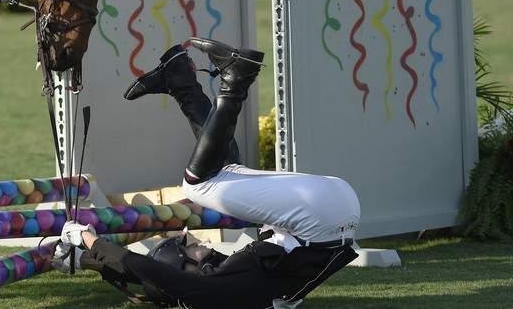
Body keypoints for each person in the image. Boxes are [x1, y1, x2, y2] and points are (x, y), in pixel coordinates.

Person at [52, 38, 361, 309]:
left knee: (223, 170)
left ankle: (180, 79)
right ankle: (236, 78)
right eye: (187, 248)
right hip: (319, 220)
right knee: (198, 186)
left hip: (334, 213)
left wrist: (83, 260)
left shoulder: (230, 286)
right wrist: (87, 237)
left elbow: (139, 273)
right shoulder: (210, 294)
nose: (193, 240)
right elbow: (146, 269)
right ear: (183, 268)